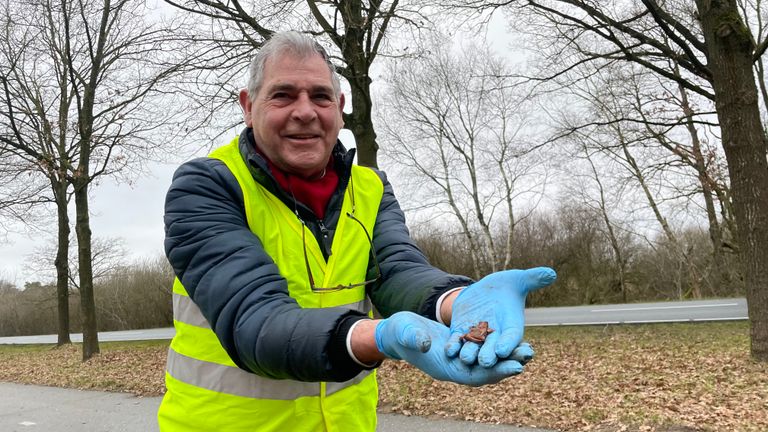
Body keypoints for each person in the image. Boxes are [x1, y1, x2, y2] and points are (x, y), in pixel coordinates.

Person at [157, 31, 556, 432]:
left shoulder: (370, 187)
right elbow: (253, 320)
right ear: (248, 106)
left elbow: (398, 272)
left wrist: (460, 301)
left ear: (341, 108)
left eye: (320, 96)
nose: (305, 111)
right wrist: (377, 336)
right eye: (283, 95)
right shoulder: (206, 187)